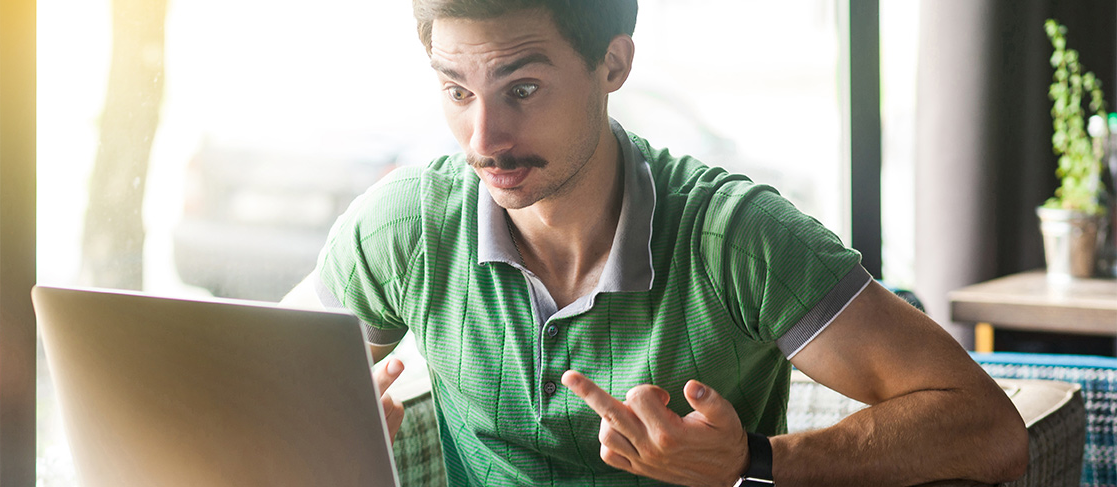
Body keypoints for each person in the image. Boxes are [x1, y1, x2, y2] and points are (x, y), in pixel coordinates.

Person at [285, 0, 1029, 485]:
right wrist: (331, 437)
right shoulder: (405, 226)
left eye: (523, 89)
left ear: (613, 64)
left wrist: (752, 459)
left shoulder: (737, 237)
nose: (485, 139)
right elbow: (249, 377)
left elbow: (988, 427)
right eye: (457, 91)